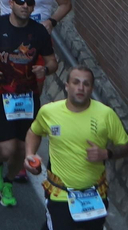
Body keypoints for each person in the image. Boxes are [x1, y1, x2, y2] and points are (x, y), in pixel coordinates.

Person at [0, 0, 57, 206]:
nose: (25, 6)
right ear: (11, 3)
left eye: (29, 3)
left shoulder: (39, 32)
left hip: (29, 98)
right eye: (20, 1)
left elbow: (53, 62)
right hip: (0, 95)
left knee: (23, 149)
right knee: (7, 148)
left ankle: (8, 183)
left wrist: (45, 68)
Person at [26, 66, 128, 229]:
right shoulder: (49, 112)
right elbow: (34, 132)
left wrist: (107, 153)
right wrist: (29, 154)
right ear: (67, 85)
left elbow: (125, 145)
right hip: (60, 194)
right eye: (76, 82)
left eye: (86, 84)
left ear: (91, 89)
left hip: (95, 196)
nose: (81, 88)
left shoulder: (106, 114)